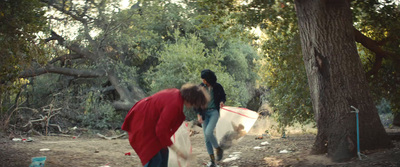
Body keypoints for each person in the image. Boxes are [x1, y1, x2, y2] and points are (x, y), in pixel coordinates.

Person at [121, 83, 210, 167]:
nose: (192, 106)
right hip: (142, 123)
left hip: (150, 123)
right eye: (195, 103)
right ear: (192, 99)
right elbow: (161, 130)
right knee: (155, 159)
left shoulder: (176, 94)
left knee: (164, 153)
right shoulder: (174, 104)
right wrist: (177, 151)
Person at [197, 69, 226, 167]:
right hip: (204, 113)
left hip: (214, 112)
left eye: (204, 79)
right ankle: (213, 162)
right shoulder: (200, 87)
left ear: (209, 79)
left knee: (208, 132)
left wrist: (222, 102)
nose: (202, 81)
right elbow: (196, 102)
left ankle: (218, 148)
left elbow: (223, 96)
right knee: (206, 138)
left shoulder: (217, 87)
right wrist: (198, 114)